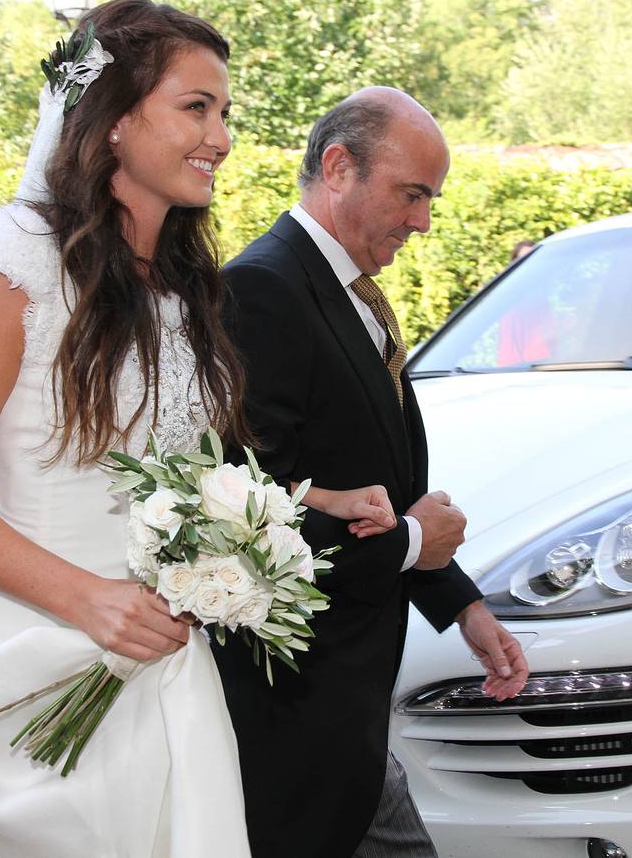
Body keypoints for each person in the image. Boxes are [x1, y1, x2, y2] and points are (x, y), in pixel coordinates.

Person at [0, 0, 387, 858]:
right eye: (196, 107)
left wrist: (296, 500)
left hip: (165, 670)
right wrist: (91, 602)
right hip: (34, 664)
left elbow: (167, 468)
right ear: (111, 121)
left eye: (225, 113)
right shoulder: (8, 264)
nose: (220, 137)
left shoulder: (184, 287)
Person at [211, 88, 533, 858]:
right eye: (411, 193)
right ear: (336, 167)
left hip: (344, 706)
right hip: (296, 706)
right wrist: (419, 540)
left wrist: (456, 601)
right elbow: (248, 513)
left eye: (430, 198)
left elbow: (371, 481)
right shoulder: (262, 290)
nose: (423, 220)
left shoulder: (346, 289)